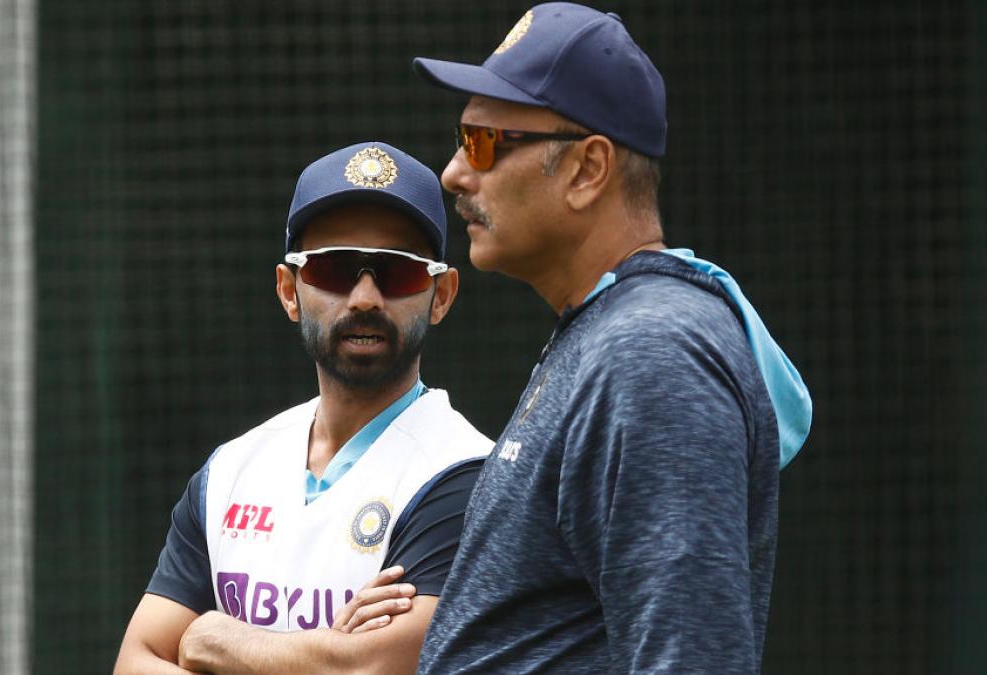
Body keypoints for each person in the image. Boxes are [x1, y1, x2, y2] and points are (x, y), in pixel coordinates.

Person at [406, 4, 814, 673]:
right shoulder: (607, 332)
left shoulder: (652, 352)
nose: (453, 171)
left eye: (482, 142)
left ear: (587, 169)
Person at [113, 141, 493, 675]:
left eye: (398, 271)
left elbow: (371, 668)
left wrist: (217, 639)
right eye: (335, 270)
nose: (364, 298)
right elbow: (135, 661)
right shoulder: (230, 472)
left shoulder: (467, 477)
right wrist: (322, 656)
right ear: (289, 290)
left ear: (442, 294)